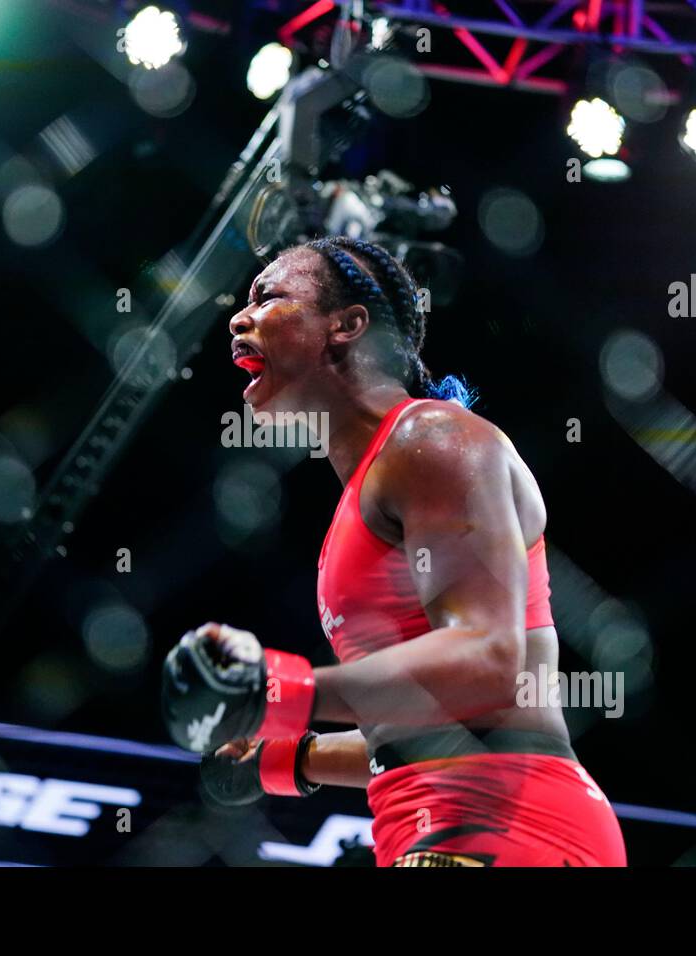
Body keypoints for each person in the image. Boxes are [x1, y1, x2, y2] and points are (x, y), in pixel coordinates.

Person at [162, 236, 626, 867]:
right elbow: (441, 723)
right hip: (447, 828)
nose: (239, 319)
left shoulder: (431, 437)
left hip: (507, 826)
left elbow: (487, 657)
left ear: (348, 326)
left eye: (268, 297)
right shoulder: (368, 488)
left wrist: (275, 690)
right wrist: (287, 757)